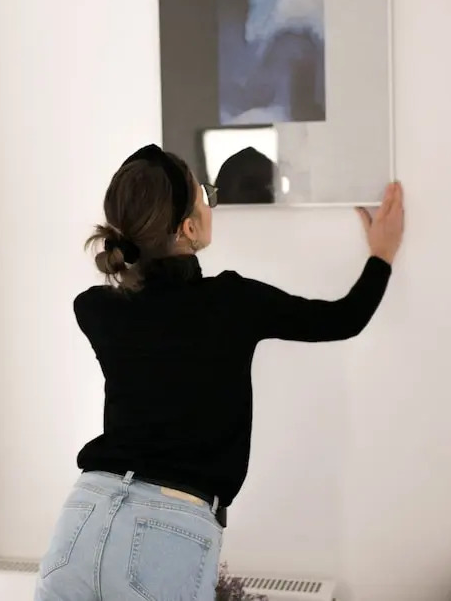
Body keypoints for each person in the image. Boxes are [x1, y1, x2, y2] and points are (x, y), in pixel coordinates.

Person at [34, 144, 404, 601]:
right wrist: (382, 255)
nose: (211, 203)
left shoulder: (95, 309)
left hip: (83, 516)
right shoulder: (232, 303)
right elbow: (343, 319)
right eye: (205, 195)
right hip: (166, 530)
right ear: (189, 228)